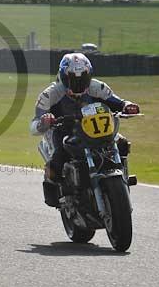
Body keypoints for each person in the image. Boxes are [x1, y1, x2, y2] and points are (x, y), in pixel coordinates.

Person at [29, 53, 140, 207]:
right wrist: (44, 122)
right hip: (65, 131)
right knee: (58, 159)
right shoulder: (50, 94)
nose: (78, 84)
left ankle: (123, 178)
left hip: (95, 128)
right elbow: (34, 125)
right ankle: (59, 191)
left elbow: (118, 102)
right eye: (73, 80)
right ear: (64, 77)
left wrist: (127, 106)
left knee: (122, 144)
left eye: (82, 79)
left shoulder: (97, 87)